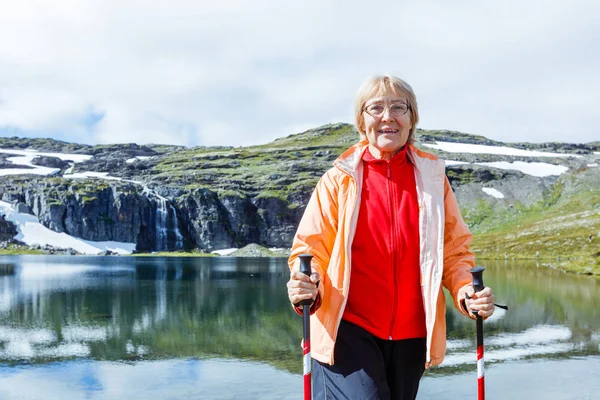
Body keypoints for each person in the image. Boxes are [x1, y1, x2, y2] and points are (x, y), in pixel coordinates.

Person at [286, 75, 496, 400]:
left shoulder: (432, 180)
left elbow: (454, 252)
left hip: (413, 333)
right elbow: (309, 249)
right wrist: (307, 281)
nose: (388, 117)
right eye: (376, 108)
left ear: (412, 119)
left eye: (399, 107)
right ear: (362, 120)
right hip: (348, 327)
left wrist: (467, 291)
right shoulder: (337, 180)